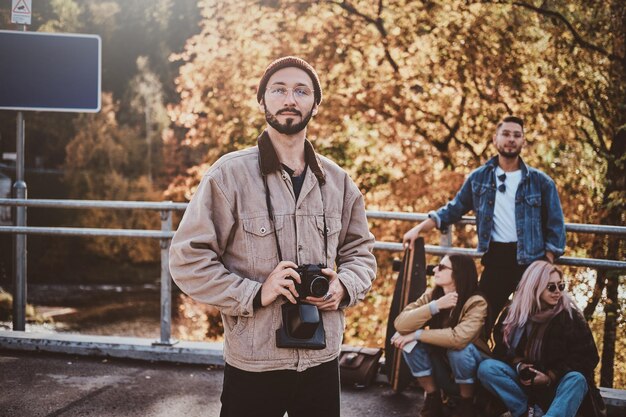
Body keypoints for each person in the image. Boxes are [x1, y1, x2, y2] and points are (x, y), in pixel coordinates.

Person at [169, 56, 377, 417]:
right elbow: (187, 260)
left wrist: (344, 287)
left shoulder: (339, 182)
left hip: (322, 359)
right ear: (262, 100)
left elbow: (361, 252)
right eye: (278, 90)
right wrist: (254, 292)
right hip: (254, 360)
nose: (290, 99)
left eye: (301, 90)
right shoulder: (228, 176)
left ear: (315, 102)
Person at [402, 116, 566, 330]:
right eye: (506, 134)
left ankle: (513, 363)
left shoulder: (541, 182)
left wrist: (547, 261)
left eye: (517, 135)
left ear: (523, 141)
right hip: (496, 259)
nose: (511, 139)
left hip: (532, 262)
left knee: (529, 323)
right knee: (481, 320)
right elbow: (453, 209)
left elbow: (556, 226)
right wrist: (419, 228)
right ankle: (481, 361)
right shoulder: (479, 178)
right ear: (495, 139)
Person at [477, 261, 605, 417]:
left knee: (577, 379)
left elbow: (588, 358)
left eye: (561, 286)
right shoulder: (513, 315)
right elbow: (500, 352)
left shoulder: (569, 317)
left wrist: (550, 376)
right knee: (487, 368)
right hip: (525, 385)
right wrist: (519, 366)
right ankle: (527, 412)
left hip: (557, 386)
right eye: (551, 287)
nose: (557, 292)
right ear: (535, 287)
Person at [392, 254, 490, 417]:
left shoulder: (476, 301)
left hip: (473, 368)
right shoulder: (433, 296)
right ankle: (433, 397)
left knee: (458, 350)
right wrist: (435, 306)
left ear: (458, 273)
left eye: (442, 267)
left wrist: (418, 334)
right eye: (437, 265)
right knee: (408, 343)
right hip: (442, 362)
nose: (435, 269)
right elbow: (400, 324)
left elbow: (459, 339)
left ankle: (466, 403)